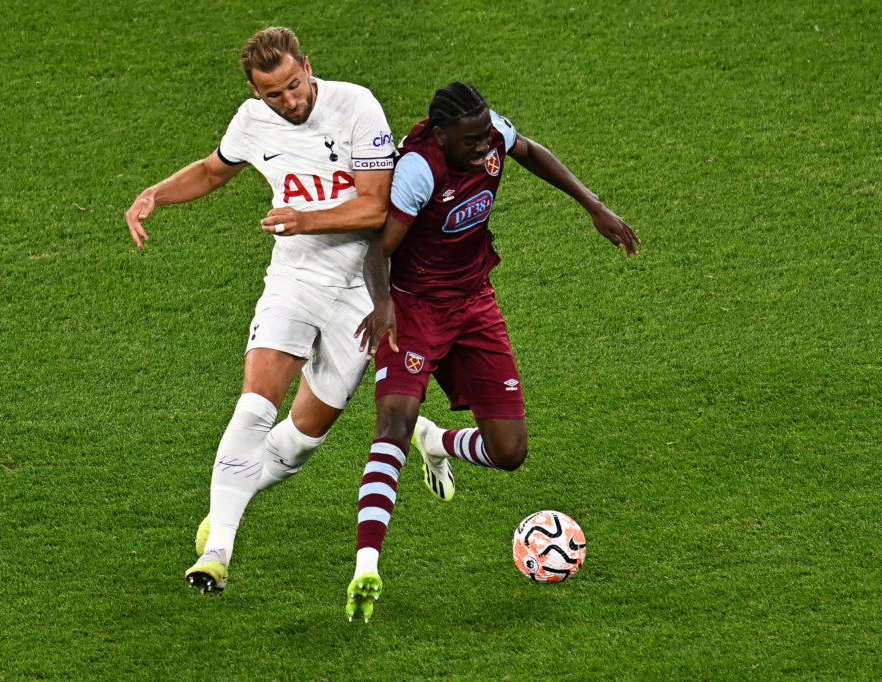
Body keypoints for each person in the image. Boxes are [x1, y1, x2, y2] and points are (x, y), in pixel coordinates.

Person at [344, 81, 639, 621]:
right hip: (414, 307)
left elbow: (526, 148)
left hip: (475, 301)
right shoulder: (419, 169)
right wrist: (383, 301)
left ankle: (440, 441)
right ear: (441, 134)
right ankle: (367, 564)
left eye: (487, 136)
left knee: (510, 452)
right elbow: (376, 249)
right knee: (392, 426)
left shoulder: (488, 131)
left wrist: (592, 204)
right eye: (473, 142)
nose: (486, 149)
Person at [125, 27, 396, 595]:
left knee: (301, 439)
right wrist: (157, 193)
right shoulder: (252, 121)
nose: (289, 102)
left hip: (362, 292)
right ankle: (217, 550)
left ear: (307, 66)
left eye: (294, 86)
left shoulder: (357, 105)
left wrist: (305, 218)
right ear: (256, 91)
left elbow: (375, 208)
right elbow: (212, 170)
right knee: (254, 406)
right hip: (294, 278)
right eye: (274, 95)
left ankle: (232, 494)